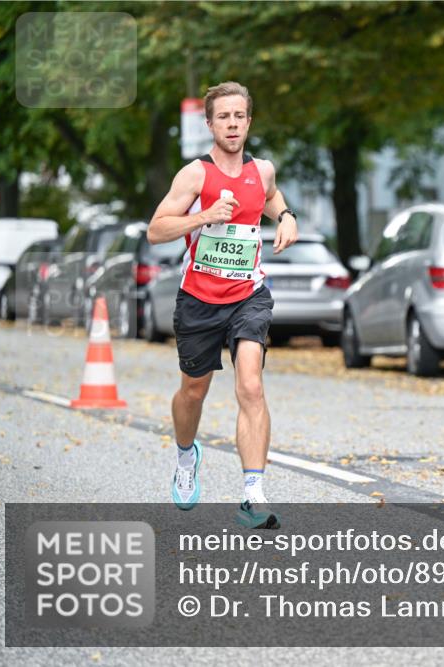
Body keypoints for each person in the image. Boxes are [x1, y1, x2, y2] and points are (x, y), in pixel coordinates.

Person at [147, 81, 298, 528]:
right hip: (198, 298)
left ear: (249, 122)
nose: (232, 124)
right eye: (223, 117)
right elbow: (156, 229)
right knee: (193, 391)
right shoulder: (195, 175)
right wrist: (204, 216)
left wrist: (286, 217)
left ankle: (253, 494)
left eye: (239, 116)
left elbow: (270, 196)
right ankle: (185, 455)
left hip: (248, 295)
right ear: (210, 124)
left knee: (251, 385)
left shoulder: (262, 170)